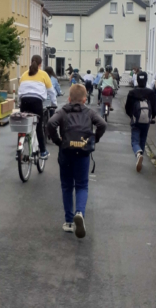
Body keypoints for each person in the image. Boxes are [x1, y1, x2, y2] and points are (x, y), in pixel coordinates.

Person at [47, 84, 107, 239]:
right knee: (81, 185)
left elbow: (51, 124)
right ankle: (79, 212)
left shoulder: (63, 111)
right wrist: (94, 140)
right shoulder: (89, 112)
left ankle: (68, 222)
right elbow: (102, 124)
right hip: (83, 153)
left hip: (66, 152)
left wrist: (58, 141)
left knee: (67, 186)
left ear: (69, 98)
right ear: (84, 100)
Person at [18, 55, 57, 160]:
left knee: (23, 126)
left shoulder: (24, 74)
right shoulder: (44, 74)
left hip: (24, 102)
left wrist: (19, 103)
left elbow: (20, 91)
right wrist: (54, 104)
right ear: (41, 64)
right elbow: (51, 91)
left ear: (31, 62)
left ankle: (19, 150)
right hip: (36, 102)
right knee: (38, 127)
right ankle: (43, 152)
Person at [125, 71, 156, 172]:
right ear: (146, 79)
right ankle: (141, 157)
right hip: (146, 120)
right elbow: (154, 107)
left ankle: (138, 153)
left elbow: (127, 107)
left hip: (135, 119)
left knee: (135, 140)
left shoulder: (132, 92)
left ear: (137, 80)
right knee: (143, 139)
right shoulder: (150, 92)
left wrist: (131, 115)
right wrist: (152, 116)